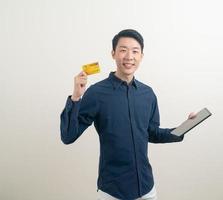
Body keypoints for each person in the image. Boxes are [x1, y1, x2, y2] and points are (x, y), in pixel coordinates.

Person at [60, 29, 196, 200]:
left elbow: (152, 133)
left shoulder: (148, 94)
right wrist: (75, 97)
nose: (129, 56)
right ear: (113, 53)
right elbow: (68, 136)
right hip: (112, 191)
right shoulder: (96, 93)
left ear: (141, 56)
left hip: (146, 189)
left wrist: (184, 128)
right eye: (123, 50)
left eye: (135, 51)